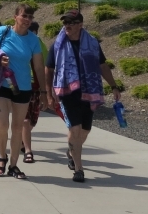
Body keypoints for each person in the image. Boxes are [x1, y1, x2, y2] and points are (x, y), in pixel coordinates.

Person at [46, 9, 121, 183]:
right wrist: (49, 92)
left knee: (85, 130)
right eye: (65, 23)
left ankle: (72, 150)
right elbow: (48, 69)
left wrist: (114, 86)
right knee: (75, 129)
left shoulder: (92, 44)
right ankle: (79, 169)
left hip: (89, 90)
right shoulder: (58, 45)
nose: (67, 26)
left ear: (80, 25)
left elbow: (102, 66)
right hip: (67, 91)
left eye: (71, 23)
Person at [0, 4, 48, 179]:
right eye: (24, 16)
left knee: (18, 127)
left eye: (30, 17)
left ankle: (13, 165)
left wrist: (43, 92)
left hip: (24, 88)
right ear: (15, 17)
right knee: (2, 125)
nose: (27, 20)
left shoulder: (33, 40)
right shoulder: (3, 32)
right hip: (2, 85)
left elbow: (38, 66)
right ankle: (1, 157)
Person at [21, 20, 49, 163]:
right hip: (24, 85)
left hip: (37, 87)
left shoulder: (38, 43)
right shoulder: (19, 42)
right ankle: (28, 150)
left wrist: (46, 90)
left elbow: (46, 65)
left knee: (32, 120)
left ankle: (22, 139)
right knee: (25, 120)